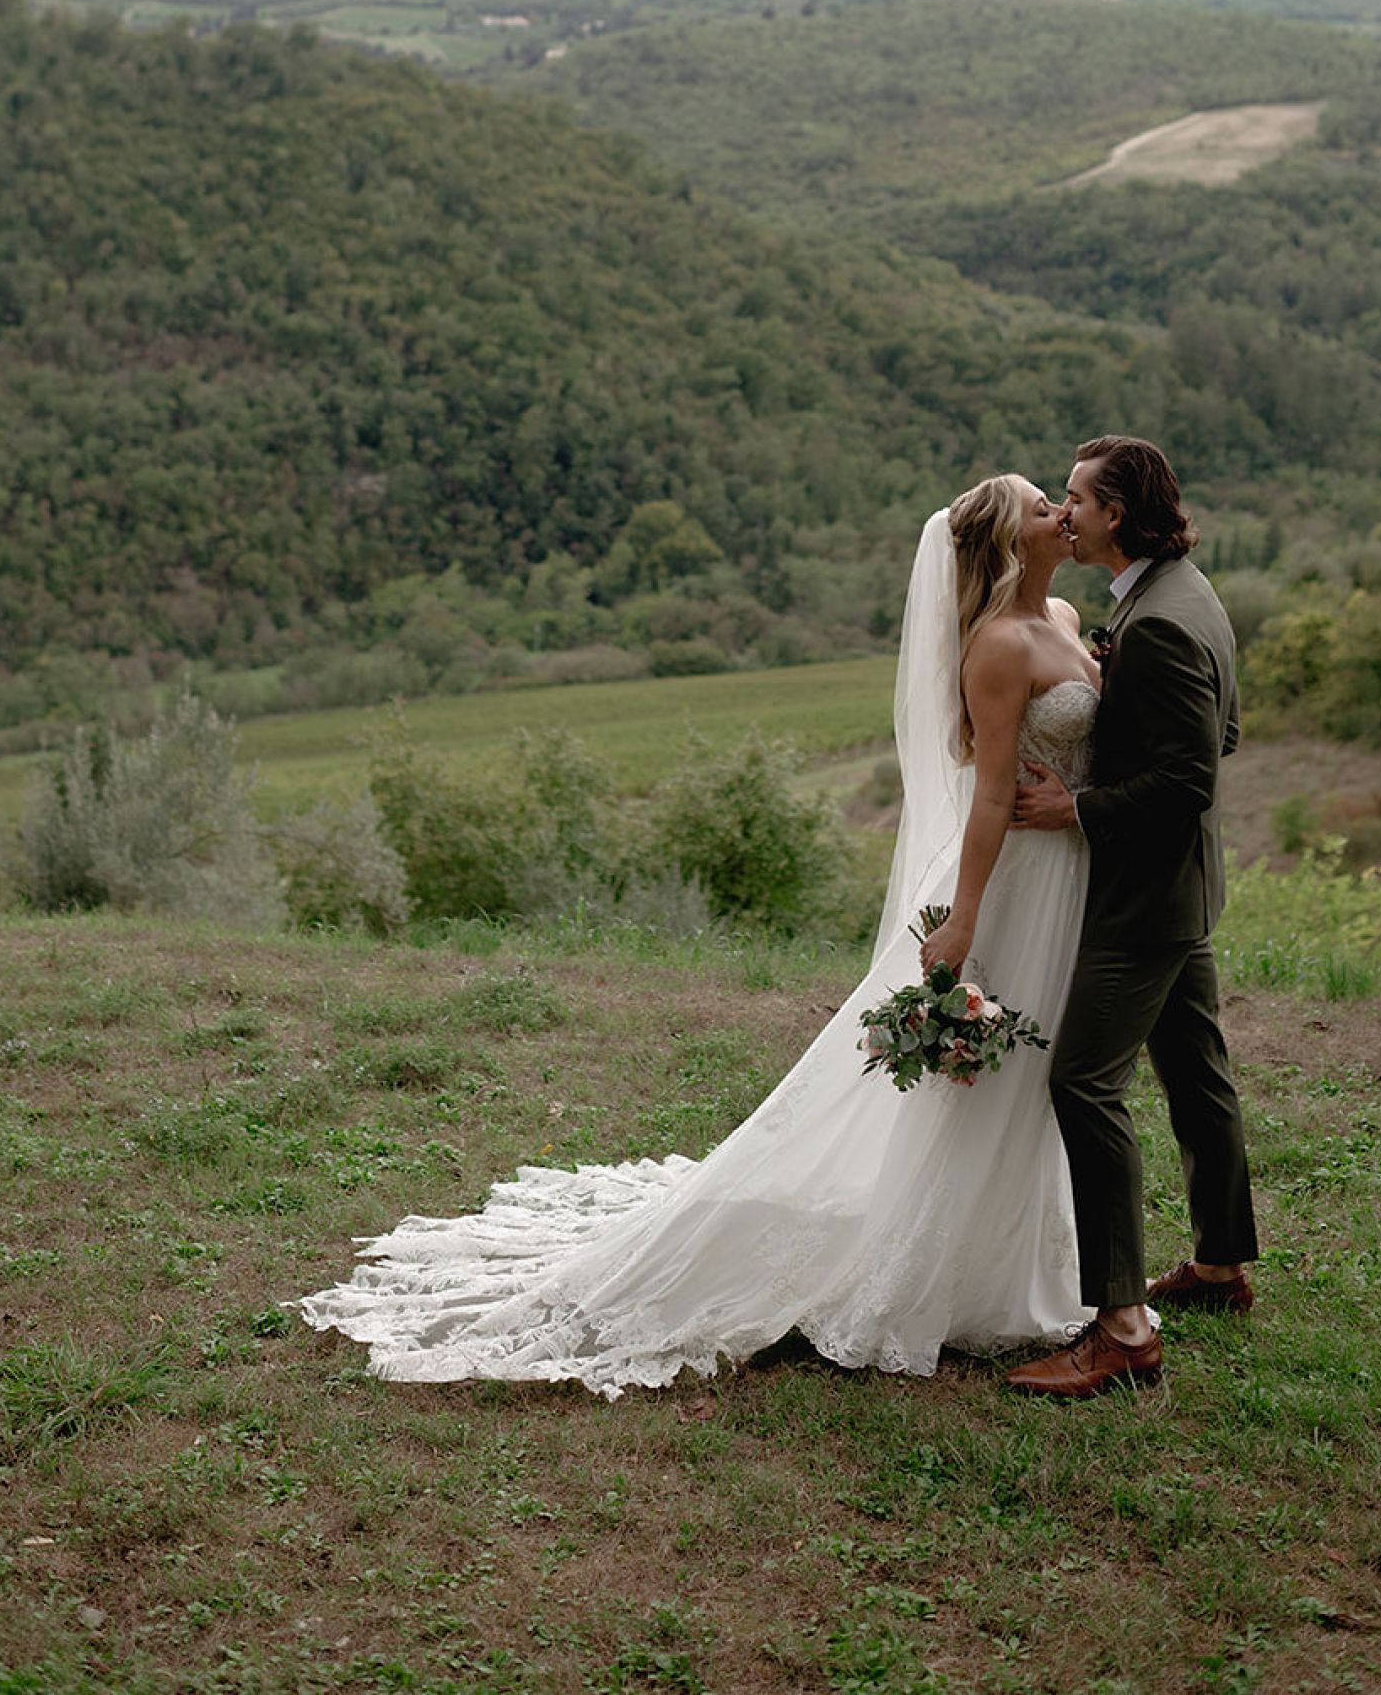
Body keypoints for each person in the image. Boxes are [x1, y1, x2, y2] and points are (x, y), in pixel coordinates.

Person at [297, 475, 1098, 1394]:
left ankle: (1014, 1264)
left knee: (1041, 1076)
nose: (1061, 514)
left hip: (1067, 877)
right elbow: (991, 792)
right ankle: (945, 1274)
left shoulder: (1069, 615)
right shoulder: (997, 645)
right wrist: (962, 916)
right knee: (991, 1076)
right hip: (1009, 882)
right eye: (1044, 505)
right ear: (1007, 543)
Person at [1006, 435, 1258, 1399]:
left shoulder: (1158, 620)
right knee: (1196, 1073)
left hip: (1148, 895)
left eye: (1076, 498)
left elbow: (1191, 774)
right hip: (1188, 884)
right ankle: (1222, 1264)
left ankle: (1120, 1327)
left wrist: (1078, 807)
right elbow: (1218, 730)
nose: (1065, 511)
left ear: (1117, 514)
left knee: (1082, 1082)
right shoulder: (1181, 591)